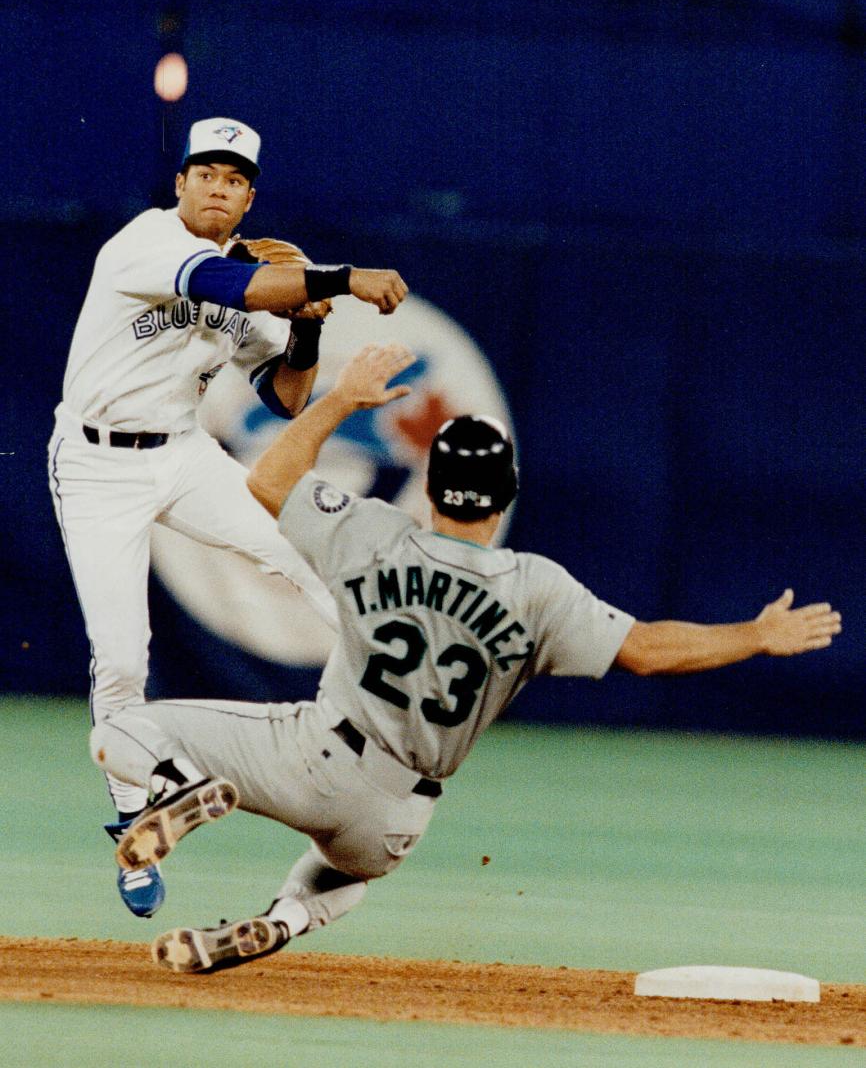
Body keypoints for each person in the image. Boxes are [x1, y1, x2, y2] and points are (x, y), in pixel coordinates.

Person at [88, 342, 842, 972]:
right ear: (506, 493)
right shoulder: (537, 591)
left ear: (432, 488)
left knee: (119, 731)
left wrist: (346, 397)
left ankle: (182, 786)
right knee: (345, 873)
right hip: (396, 820)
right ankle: (282, 924)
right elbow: (646, 651)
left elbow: (269, 477)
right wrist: (755, 634)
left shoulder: (373, 532)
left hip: (313, 756)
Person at [48, 117, 409, 919]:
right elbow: (234, 289)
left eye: (234, 178)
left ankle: (372, 725)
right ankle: (137, 817)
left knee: (303, 555)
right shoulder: (144, 245)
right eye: (204, 173)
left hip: (181, 454)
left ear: (249, 198)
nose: (217, 187)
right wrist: (338, 279)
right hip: (98, 463)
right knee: (120, 657)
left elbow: (284, 395)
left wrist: (310, 322)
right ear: (179, 185)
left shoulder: (249, 278)